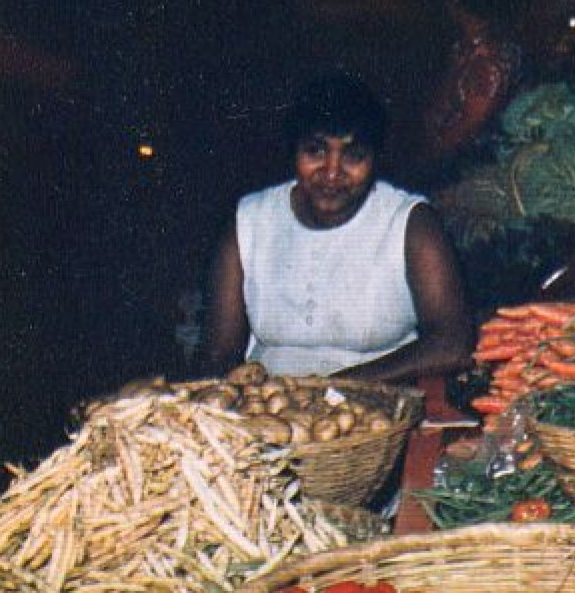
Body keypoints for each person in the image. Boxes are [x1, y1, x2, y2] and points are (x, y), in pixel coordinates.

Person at [201, 72, 473, 382]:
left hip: (380, 402)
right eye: (315, 151)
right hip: (269, 409)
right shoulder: (250, 221)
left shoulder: (410, 222)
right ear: (293, 151)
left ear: (375, 158)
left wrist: (332, 391)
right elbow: (218, 354)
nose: (332, 173)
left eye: (354, 156)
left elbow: (453, 343)